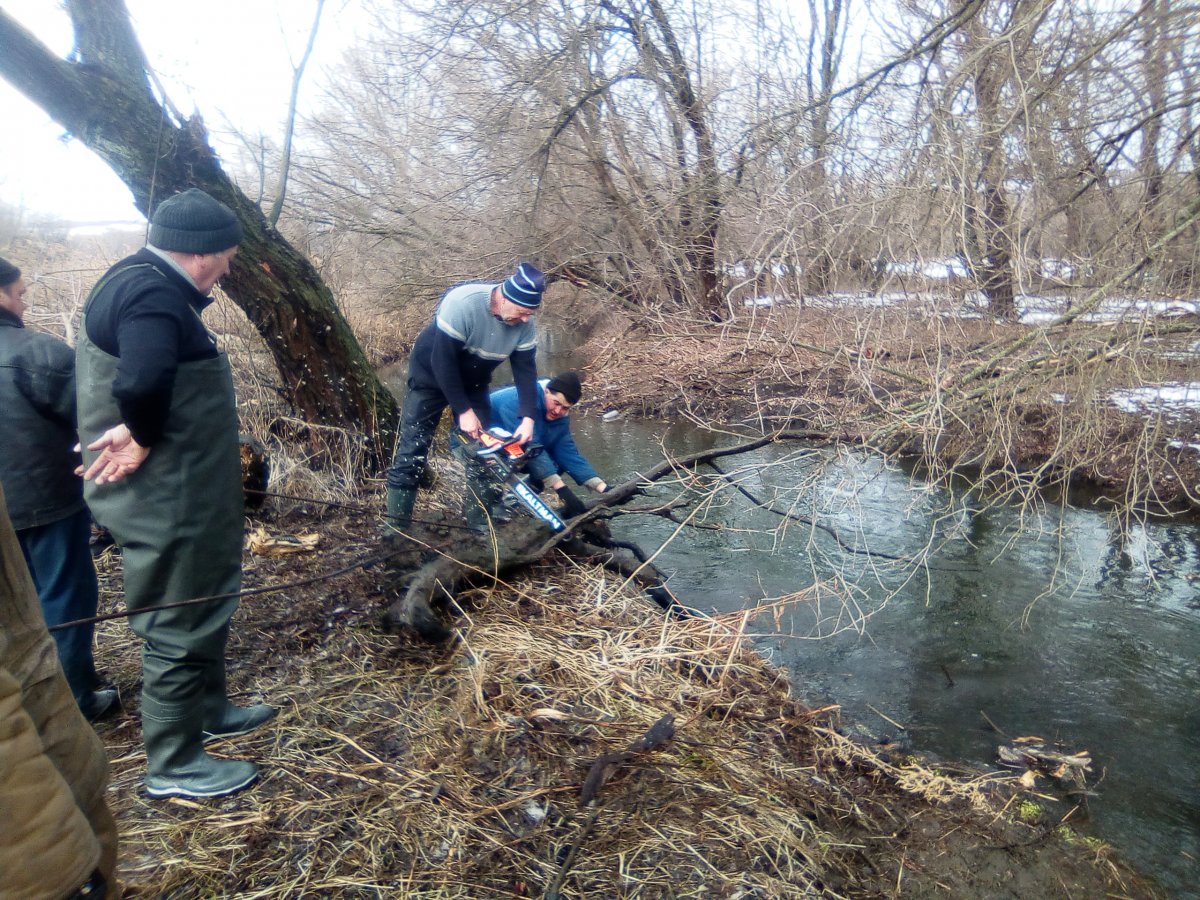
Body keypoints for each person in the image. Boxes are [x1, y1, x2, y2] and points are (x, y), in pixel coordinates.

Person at [75, 188, 275, 800]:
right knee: (178, 616)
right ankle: (174, 763)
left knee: (204, 596)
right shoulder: (154, 295)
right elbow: (142, 378)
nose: (229, 268)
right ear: (199, 255)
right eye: (228, 257)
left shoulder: (131, 277)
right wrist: (140, 434)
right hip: (169, 499)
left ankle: (208, 709)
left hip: (190, 493)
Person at [0, 257, 116, 722]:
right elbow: (97, 421)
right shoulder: (37, 354)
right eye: (21, 293)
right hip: (45, 506)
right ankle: (72, 705)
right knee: (63, 599)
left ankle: (20, 715)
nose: (24, 303)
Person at [0, 481, 118, 899]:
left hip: (48, 739)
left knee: (46, 599)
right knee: (66, 590)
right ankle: (82, 689)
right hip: (40, 491)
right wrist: (55, 873)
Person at [385, 262, 546, 533]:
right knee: (412, 451)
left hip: (474, 383)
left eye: (530, 313)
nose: (526, 319)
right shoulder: (463, 302)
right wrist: (462, 410)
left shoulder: (524, 326)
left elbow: (526, 373)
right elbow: (443, 363)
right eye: (522, 312)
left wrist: (528, 417)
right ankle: (395, 531)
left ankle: (479, 527)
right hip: (430, 377)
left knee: (484, 452)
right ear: (504, 298)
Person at [488, 371, 608, 517]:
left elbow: (565, 450)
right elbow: (530, 445)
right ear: (546, 392)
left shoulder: (560, 415)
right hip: (478, 439)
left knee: (555, 463)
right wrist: (562, 490)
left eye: (565, 408)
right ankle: (487, 517)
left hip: (510, 444)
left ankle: (512, 503)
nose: (558, 411)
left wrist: (601, 487)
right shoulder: (522, 400)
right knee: (540, 463)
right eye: (556, 403)